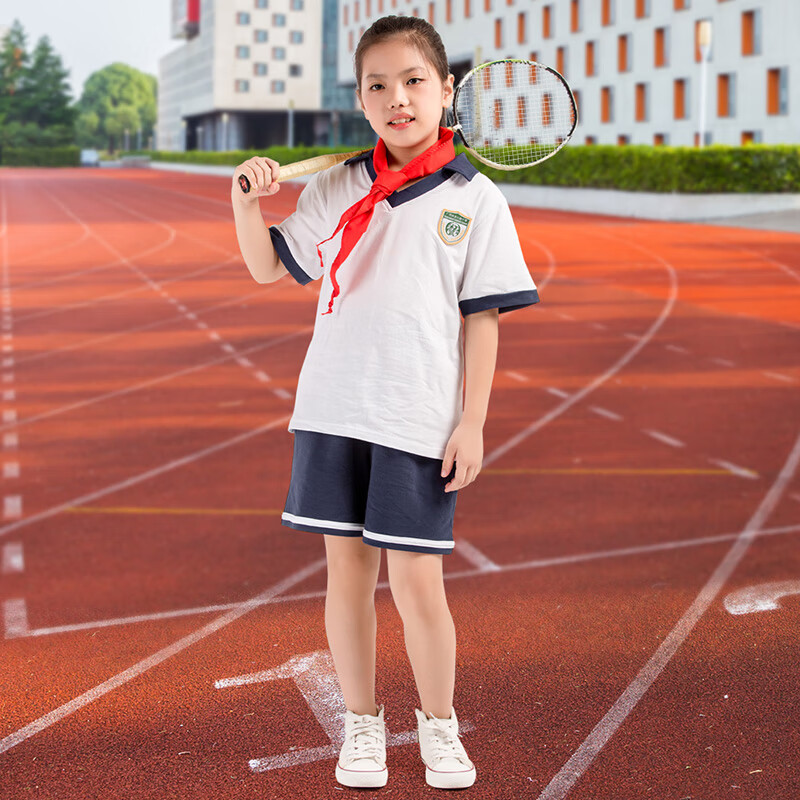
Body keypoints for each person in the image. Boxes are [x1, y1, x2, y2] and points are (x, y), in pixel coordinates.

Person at [230, 14, 539, 791]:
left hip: (417, 417)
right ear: (361, 100)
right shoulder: (336, 185)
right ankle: (362, 726)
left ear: (445, 92)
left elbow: (483, 320)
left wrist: (472, 421)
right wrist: (245, 200)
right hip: (333, 409)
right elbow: (270, 270)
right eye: (377, 85)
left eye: (412, 81)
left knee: (417, 585)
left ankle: (439, 727)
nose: (396, 98)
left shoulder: (477, 198)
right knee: (347, 576)